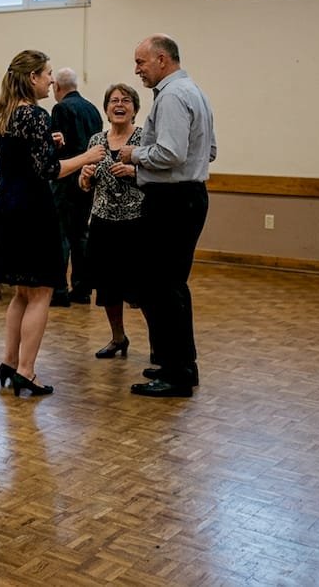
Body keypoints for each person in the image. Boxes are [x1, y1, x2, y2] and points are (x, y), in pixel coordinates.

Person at [0, 51, 105, 397]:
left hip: (7, 206)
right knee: (42, 292)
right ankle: (26, 370)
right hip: (32, 211)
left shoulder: (3, 115)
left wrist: (47, 145)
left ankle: (9, 361)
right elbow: (49, 171)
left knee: (22, 292)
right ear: (32, 77)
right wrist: (86, 156)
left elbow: (21, 158)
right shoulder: (36, 115)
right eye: (47, 74)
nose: (51, 80)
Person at [120, 34, 216, 398]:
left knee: (163, 286)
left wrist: (135, 156)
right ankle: (174, 361)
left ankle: (177, 374)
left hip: (172, 201)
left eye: (141, 62)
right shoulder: (195, 91)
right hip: (186, 196)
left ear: (162, 60)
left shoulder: (173, 96)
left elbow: (170, 153)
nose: (137, 70)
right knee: (166, 284)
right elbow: (210, 150)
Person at [78, 83, 145, 360]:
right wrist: (84, 177)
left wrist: (133, 172)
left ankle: (158, 346)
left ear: (135, 109)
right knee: (108, 288)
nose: (119, 105)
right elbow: (85, 185)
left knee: (143, 289)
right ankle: (118, 338)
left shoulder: (143, 139)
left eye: (126, 100)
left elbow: (159, 180)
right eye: (114, 101)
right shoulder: (96, 141)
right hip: (103, 223)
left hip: (136, 223)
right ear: (106, 109)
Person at [50, 68, 103, 306]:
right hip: (88, 179)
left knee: (60, 235)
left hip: (66, 178)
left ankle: (59, 290)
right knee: (81, 235)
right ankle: (82, 290)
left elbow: (57, 147)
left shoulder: (60, 109)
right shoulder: (92, 109)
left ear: (58, 88)